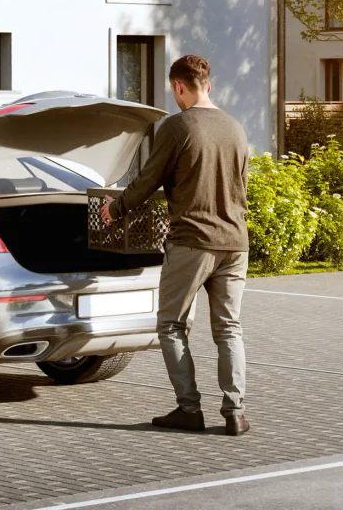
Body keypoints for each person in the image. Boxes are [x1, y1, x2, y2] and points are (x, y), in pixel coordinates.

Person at [102, 53, 252, 435]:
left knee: (170, 325)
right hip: (236, 242)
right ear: (209, 86)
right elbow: (241, 187)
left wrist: (114, 209)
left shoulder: (177, 126)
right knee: (229, 329)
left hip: (192, 241)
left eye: (174, 91)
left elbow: (148, 179)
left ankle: (189, 409)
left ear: (178, 86)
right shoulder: (236, 128)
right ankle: (235, 413)